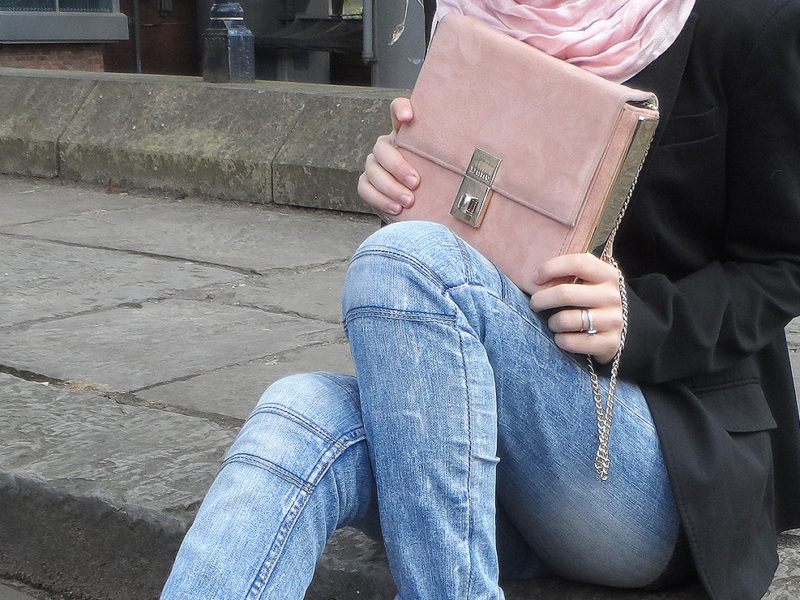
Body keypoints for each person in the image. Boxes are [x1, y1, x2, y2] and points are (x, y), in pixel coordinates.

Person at [160, 0, 800, 598]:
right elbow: (476, 245)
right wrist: (414, 185)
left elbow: (782, 264)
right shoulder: (474, 17)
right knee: (298, 413)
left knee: (406, 260)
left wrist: (643, 319)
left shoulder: (744, 21)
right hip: (478, 461)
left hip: (661, 461)